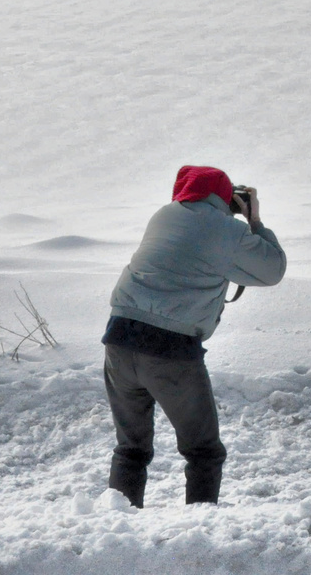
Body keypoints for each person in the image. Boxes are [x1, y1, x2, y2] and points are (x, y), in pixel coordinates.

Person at [101, 164, 287, 507]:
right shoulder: (224, 229)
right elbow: (272, 268)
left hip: (119, 340)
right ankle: (198, 534)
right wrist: (255, 222)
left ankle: (116, 530)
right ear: (224, 197)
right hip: (169, 350)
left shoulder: (164, 215)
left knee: (131, 448)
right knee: (203, 451)